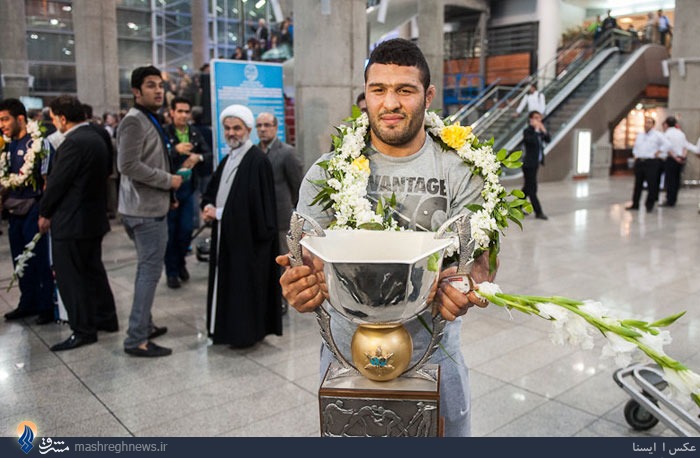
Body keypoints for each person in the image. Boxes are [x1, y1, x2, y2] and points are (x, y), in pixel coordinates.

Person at [276, 38, 496, 437]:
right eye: (378, 89)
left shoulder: (460, 169)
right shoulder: (330, 171)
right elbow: (306, 254)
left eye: (404, 90)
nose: (390, 103)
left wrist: (468, 284)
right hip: (347, 350)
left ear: (427, 96)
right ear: (366, 95)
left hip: (435, 350)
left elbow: (483, 259)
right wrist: (300, 284)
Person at [39, 95, 118, 351]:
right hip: (93, 217)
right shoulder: (98, 135)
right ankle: (106, 318)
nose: (54, 124)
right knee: (93, 271)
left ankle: (83, 329)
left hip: (71, 221)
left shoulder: (72, 143)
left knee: (71, 277)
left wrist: (45, 211)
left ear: (62, 118)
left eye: (53, 118)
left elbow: (57, 183)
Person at [201, 104, 281, 348]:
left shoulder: (257, 161)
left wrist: (221, 213)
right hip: (227, 237)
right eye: (227, 128)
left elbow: (258, 209)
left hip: (247, 242)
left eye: (236, 128)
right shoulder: (228, 158)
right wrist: (207, 206)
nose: (231, 133)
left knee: (243, 290)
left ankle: (245, 334)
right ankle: (225, 332)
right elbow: (214, 191)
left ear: (248, 130)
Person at [118, 65, 183, 358]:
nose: (158, 90)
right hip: (143, 211)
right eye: (150, 85)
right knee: (149, 272)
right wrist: (168, 181)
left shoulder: (147, 117)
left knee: (148, 269)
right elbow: (128, 166)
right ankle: (136, 338)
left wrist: (168, 193)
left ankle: (145, 324)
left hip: (150, 204)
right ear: (136, 91)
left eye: (160, 85)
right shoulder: (134, 121)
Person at [0, 98, 56, 325]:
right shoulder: (7, 146)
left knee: (39, 258)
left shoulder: (38, 143)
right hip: (14, 210)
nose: (2, 125)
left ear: (20, 118)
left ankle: (45, 306)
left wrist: (45, 212)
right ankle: (27, 302)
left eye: (5, 119)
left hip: (34, 207)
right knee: (19, 258)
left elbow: (47, 180)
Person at [164, 96, 212, 289]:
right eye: (180, 111)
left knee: (186, 230)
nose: (183, 115)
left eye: (186, 111)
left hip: (189, 188)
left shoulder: (194, 133)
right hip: (169, 190)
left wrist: (197, 157)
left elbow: (208, 154)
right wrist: (174, 150)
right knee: (170, 233)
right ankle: (172, 271)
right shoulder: (165, 133)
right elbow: (156, 155)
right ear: (172, 112)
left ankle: (181, 262)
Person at [255, 112, 303, 254]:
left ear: (275, 128)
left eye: (267, 125)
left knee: (283, 259)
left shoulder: (287, 152)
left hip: (281, 218)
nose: (262, 129)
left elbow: (297, 185)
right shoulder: (254, 153)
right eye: (259, 125)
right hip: (260, 219)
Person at [626, 117, 670, 213]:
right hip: (640, 161)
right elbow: (636, 146)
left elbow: (667, 144)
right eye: (646, 123)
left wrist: (659, 151)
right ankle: (635, 203)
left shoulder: (657, 135)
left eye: (649, 123)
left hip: (651, 162)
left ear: (653, 125)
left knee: (652, 184)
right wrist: (635, 154)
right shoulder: (640, 135)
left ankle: (649, 204)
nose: (647, 124)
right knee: (638, 184)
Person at [661, 116, 698, 207]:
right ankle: (674, 199)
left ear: (666, 124)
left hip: (672, 159)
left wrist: (675, 158)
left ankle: (670, 200)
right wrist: (682, 157)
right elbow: (685, 146)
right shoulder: (681, 133)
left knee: (670, 180)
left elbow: (667, 148)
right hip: (680, 159)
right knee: (676, 180)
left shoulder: (666, 134)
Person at [522, 110, 550, 220]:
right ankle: (538, 212)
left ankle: (515, 206)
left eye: (540, 118)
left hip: (536, 164)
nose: (539, 120)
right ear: (531, 120)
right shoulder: (528, 131)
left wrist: (544, 130)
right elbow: (531, 142)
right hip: (528, 164)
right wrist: (537, 130)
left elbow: (548, 139)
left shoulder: (539, 132)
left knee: (527, 188)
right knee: (532, 189)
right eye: (536, 118)